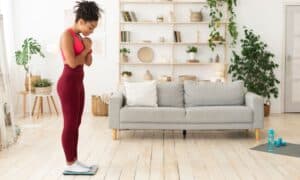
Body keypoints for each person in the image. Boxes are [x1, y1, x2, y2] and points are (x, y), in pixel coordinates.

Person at [57, 0, 102, 173]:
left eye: (94, 28)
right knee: (69, 124)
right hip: (68, 84)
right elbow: (73, 63)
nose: (91, 31)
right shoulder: (67, 35)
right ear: (81, 21)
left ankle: (75, 160)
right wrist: (84, 49)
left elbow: (88, 63)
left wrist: (89, 48)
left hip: (78, 84)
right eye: (90, 27)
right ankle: (69, 163)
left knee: (77, 122)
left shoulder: (81, 38)